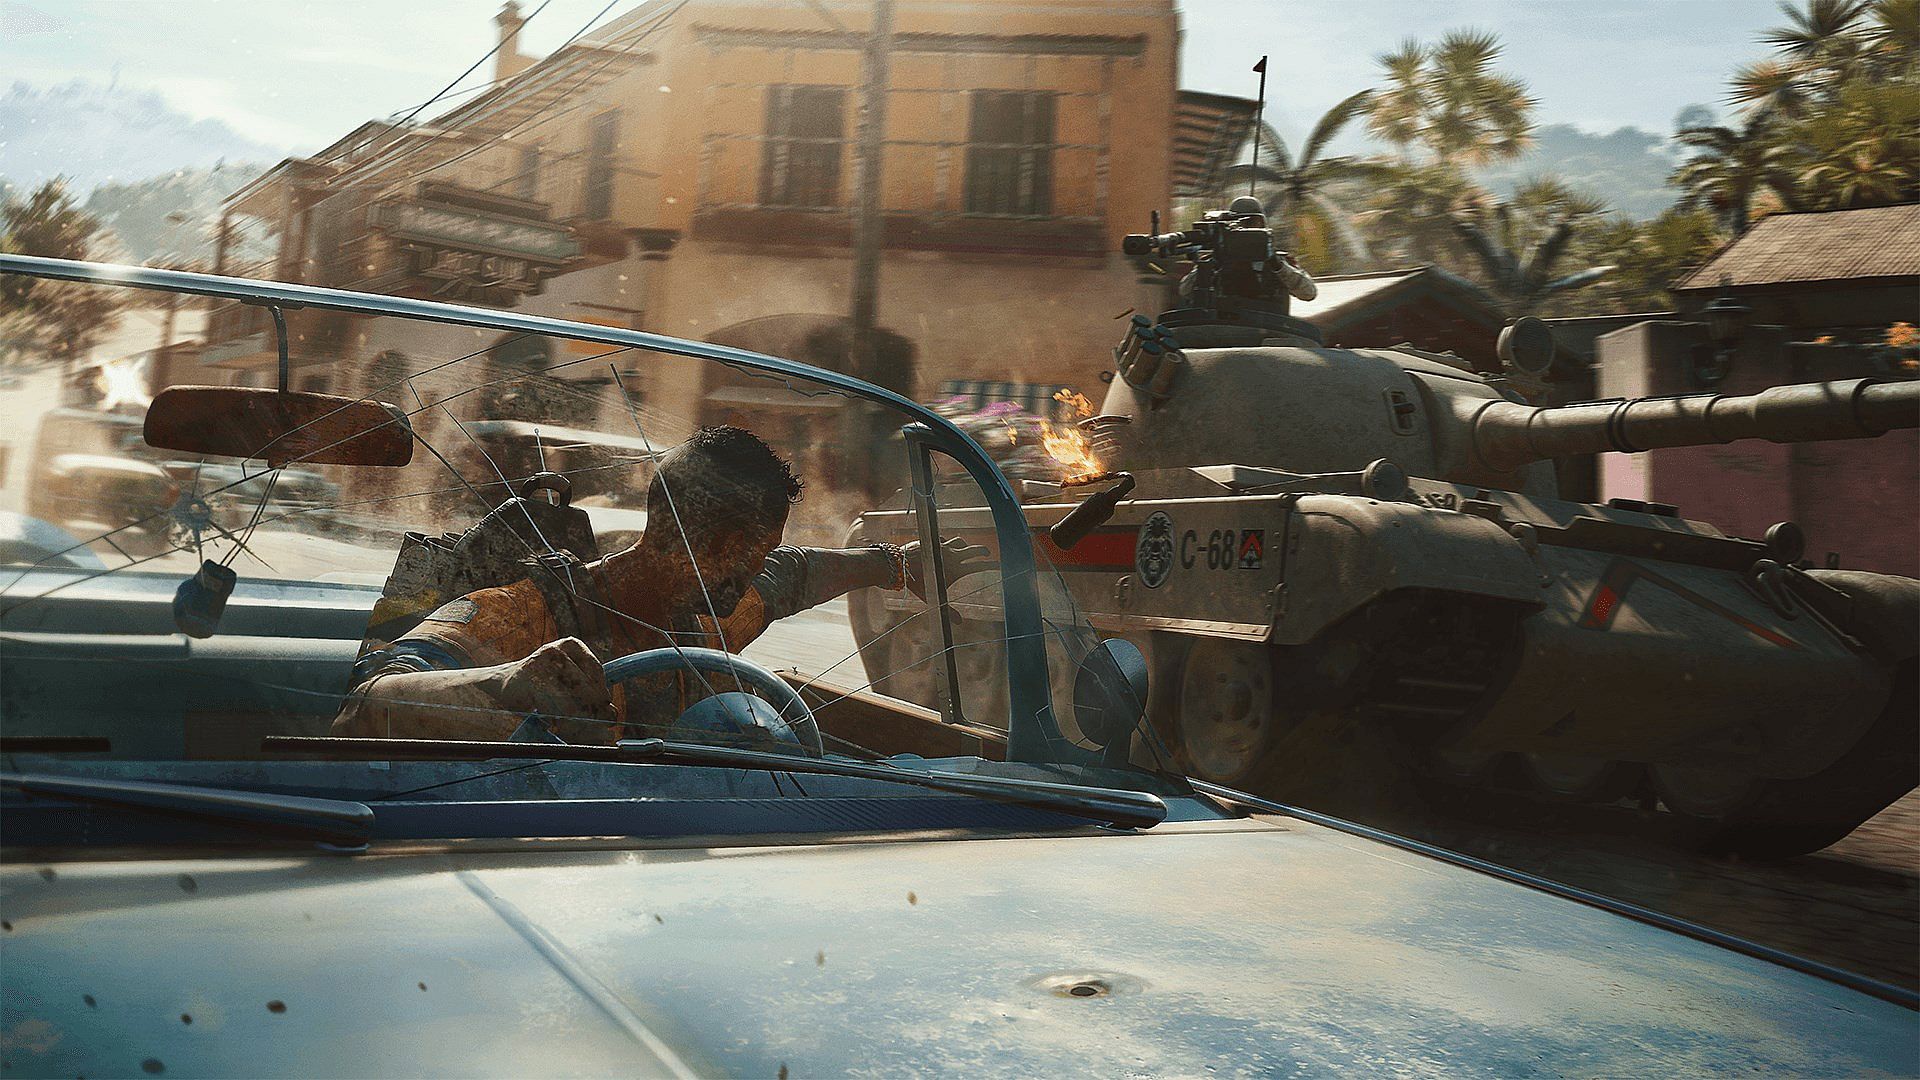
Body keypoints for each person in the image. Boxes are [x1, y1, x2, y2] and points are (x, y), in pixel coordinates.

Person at [332, 425, 959, 743]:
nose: (744, 574)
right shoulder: (516, 616)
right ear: (666, 527)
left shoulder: (716, 613)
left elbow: (794, 575)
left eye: (756, 554)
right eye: (725, 550)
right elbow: (367, 700)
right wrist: (504, 684)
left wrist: (897, 564)